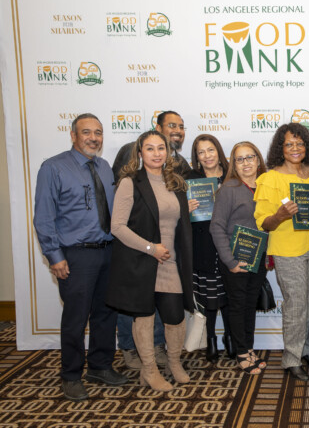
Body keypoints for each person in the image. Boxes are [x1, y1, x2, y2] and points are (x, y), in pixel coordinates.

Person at [33, 113, 127, 401]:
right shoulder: (53, 167)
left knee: (105, 314)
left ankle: (100, 366)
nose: (93, 138)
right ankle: (71, 375)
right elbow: (43, 217)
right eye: (87, 132)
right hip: (75, 256)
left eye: (98, 133)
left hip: (107, 251)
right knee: (75, 319)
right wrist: (54, 256)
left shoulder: (105, 167)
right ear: (73, 135)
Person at [105, 130, 193, 392]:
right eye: (150, 149)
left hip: (171, 263)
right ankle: (150, 370)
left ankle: (174, 364)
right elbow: (117, 227)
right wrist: (150, 248)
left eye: (161, 148)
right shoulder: (130, 182)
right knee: (143, 317)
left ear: (168, 152)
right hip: (142, 261)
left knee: (175, 317)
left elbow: (173, 221)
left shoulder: (176, 183)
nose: (157, 153)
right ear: (140, 153)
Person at [254, 123, 309, 382]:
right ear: (280, 148)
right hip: (288, 251)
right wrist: (280, 215)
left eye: (300, 143)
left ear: (307, 146)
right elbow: (264, 222)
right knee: (296, 306)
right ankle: (291, 359)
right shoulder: (270, 178)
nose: (295, 148)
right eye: (289, 144)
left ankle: (306, 350)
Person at [210, 141, 268, 374]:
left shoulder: (266, 186)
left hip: (258, 259)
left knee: (249, 306)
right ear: (233, 164)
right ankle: (242, 353)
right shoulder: (229, 189)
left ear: (258, 159)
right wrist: (231, 262)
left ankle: (249, 348)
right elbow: (216, 227)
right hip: (235, 260)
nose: (246, 163)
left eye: (250, 157)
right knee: (237, 305)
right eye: (240, 159)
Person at [185, 134, 233, 362]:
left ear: (219, 151)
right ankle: (212, 339)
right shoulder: (189, 179)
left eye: (211, 150)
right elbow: (174, 215)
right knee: (209, 297)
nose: (207, 156)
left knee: (230, 295)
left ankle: (231, 337)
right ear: (196, 157)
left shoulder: (232, 176)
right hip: (202, 244)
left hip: (229, 244)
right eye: (201, 152)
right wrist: (185, 208)